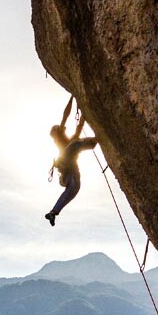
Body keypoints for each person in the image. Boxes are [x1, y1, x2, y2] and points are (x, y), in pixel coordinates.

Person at [45, 96, 98, 226]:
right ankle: (94, 141)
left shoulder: (71, 139)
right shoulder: (59, 136)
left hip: (70, 172)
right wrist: (73, 97)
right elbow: (65, 116)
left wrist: (84, 114)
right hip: (64, 165)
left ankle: (54, 212)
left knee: (74, 188)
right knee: (75, 144)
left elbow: (79, 127)